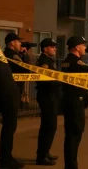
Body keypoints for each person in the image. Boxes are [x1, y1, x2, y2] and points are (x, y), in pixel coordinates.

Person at [61, 36, 88, 169]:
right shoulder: (76, 63)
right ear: (77, 47)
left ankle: (70, 164)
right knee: (74, 135)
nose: (85, 48)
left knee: (71, 135)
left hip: (69, 101)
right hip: (75, 103)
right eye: (83, 45)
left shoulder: (66, 61)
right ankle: (71, 166)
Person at [0, 32, 24, 169]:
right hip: (5, 90)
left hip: (0, 90)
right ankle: (6, 159)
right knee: (7, 127)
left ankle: (5, 158)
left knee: (0, 126)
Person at [35, 38, 61, 166]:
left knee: (50, 126)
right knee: (48, 126)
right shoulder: (43, 62)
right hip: (47, 97)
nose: (55, 49)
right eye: (52, 47)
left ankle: (45, 152)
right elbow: (46, 80)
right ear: (45, 48)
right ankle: (41, 156)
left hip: (52, 96)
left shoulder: (50, 60)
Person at [3, 33, 29, 100]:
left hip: (6, 87)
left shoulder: (4, 53)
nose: (20, 44)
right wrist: (25, 55)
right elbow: (26, 69)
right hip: (14, 89)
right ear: (12, 43)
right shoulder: (13, 56)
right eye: (18, 41)